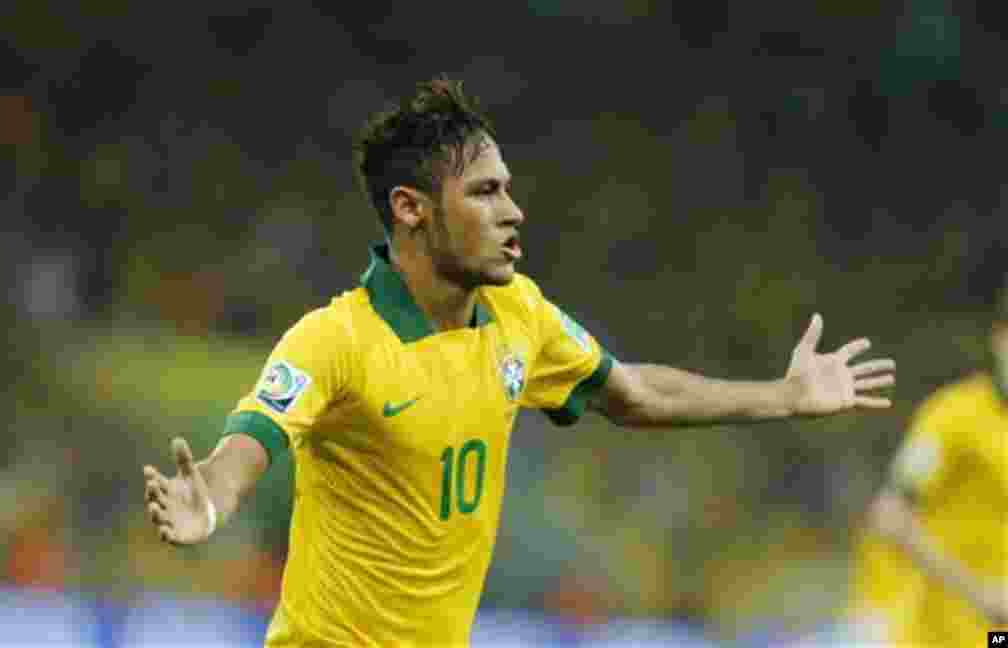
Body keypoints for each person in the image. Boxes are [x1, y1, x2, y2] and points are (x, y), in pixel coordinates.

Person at [142, 77, 896, 647]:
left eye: (508, 190)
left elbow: (633, 392)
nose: (513, 212)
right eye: (485, 192)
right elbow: (249, 445)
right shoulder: (336, 339)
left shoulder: (518, 313)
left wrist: (785, 394)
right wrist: (207, 498)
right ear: (411, 208)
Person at [847, 276, 1008, 647]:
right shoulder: (951, 416)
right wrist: (979, 592)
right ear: (999, 338)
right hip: (935, 634)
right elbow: (890, 515)